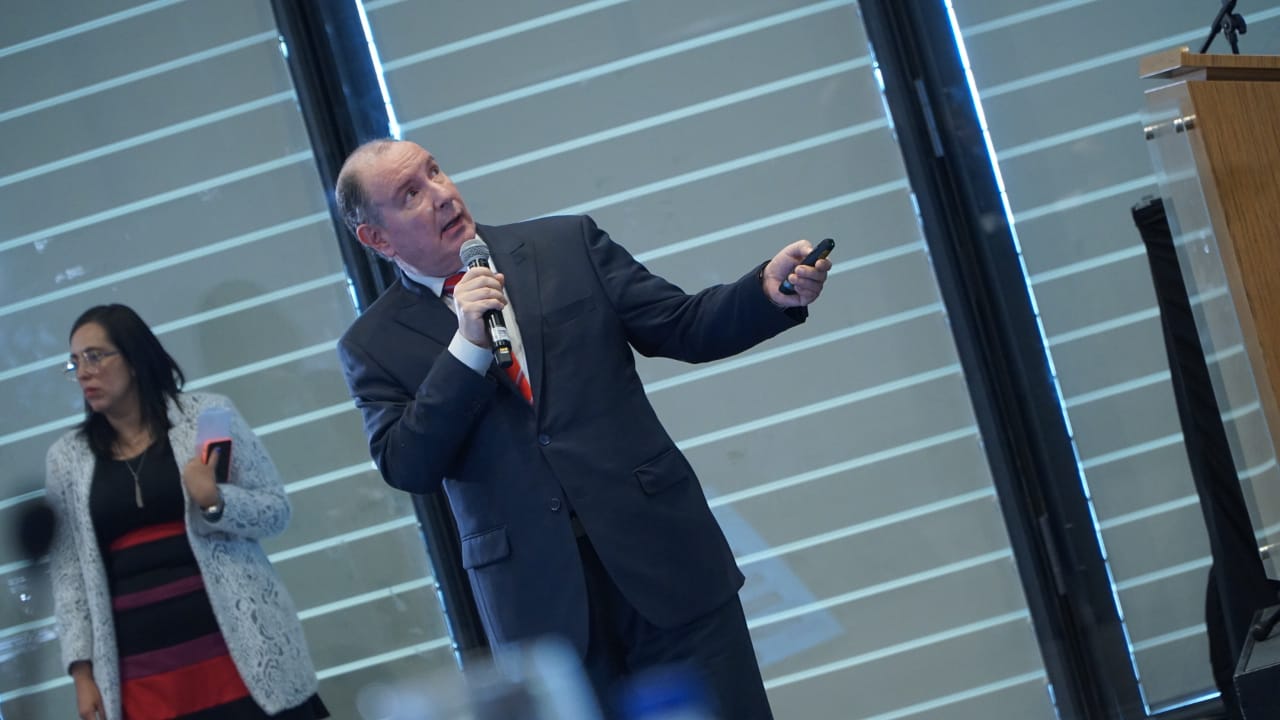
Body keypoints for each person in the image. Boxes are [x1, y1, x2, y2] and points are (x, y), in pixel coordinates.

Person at [335, 138, 830, 719]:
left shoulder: (565, 245)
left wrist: (767, 292)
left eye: (435, 172)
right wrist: (466, 348)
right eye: (411, 194)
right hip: (540, 610)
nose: (442, 195)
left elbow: (681, 324)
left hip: (663, 558)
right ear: (377, 238)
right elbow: (407, 463)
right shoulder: (373, 345)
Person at [45, 304, 328, 720]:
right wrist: (82, 674)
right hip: (143, 674)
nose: (84, 372)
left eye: (95, 356)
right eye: (75, 362)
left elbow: (274, 510)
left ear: (134, 359)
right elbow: (69, 576)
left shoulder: (206, 418)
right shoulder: (66, 458)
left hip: (241, 651)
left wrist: (216, 502)